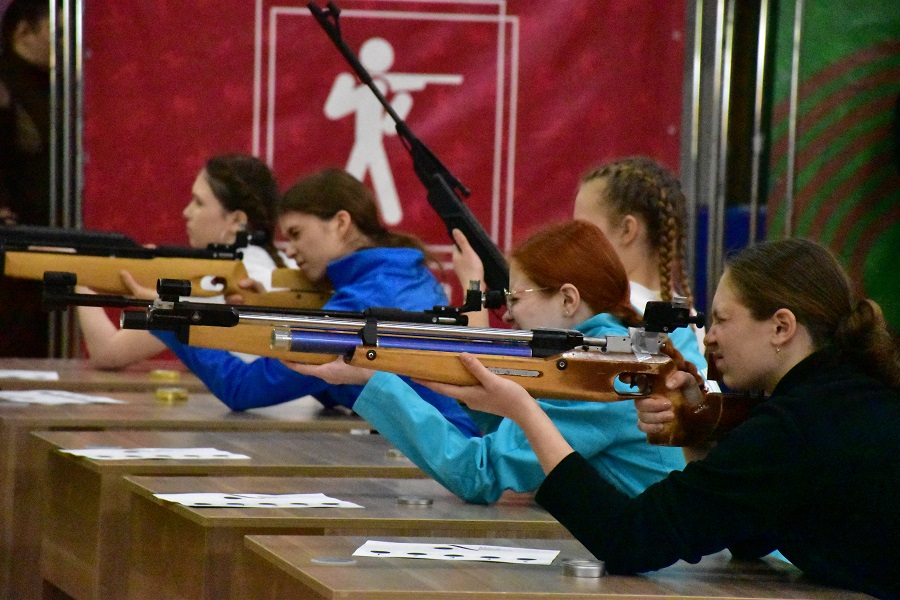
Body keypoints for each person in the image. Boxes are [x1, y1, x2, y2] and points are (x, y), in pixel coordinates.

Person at [418, 238, 899, 599]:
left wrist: (524, 409)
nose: (709, 337)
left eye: (722, 320)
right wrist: (696, 431)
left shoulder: (792, 428)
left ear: (781, 327)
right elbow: (751, 530)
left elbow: (630, 539)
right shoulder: (846, 398)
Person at [286, 220, 708, 504]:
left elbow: (479, 473)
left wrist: (375, 380)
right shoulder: (605, 350)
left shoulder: (603, 374)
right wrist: (475, 391)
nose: (506, 315)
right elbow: (514, 443)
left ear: (567, 300)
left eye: (516, 299)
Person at [152, 168, 480, 437]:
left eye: (296, 234)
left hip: (442, 453)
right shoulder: (401, 274)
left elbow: (241, 388)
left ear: (340, 223)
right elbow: (333, 382)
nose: (291, 250)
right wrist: (268, 309)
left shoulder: (362, 301)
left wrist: (168, 317)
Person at [76, 153, 289, 369]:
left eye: (199, 202)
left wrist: (80, 274)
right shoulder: (285, 265)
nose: (186, 212)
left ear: (236, 220)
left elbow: (108, 354)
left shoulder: (216, 281)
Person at [0, 0, 51, 357]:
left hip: (45, 235)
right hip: (12, 241)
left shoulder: (63, 87)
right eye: (57, 32)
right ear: (23, 32)